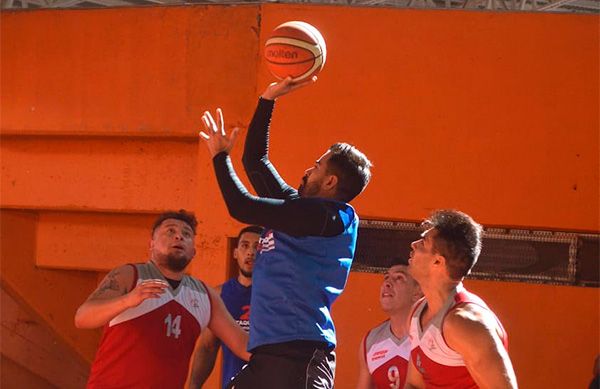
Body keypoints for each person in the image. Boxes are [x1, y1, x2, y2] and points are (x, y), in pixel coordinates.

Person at [199, 76, 372, 389]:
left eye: (317, 166)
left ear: (330, 181)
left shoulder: (330, 218)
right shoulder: (300, 211)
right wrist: (268, 98)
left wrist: (219, 156)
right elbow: (255, 161)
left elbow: (240, 206)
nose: (308, 170)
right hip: (265, 354)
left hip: (300, 355)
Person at [74, 210, 250, 389]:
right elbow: (82, 318)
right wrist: (127, 300)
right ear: (151, 244)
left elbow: (244, 346)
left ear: (193, 252)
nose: (179, 237)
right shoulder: (129, 275)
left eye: (186, 234)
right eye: (170, 231)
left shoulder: (206, 295)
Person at [404, 210, 518, 389]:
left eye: (423, 243)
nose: (413, 244)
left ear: (438, 262)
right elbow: (413, 384)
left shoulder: (466, 324)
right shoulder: (417, 313)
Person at [188, 225, 263, 389]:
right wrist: (193, 386)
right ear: (235, 253)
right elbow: (208, 347)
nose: (250, 252)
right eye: (244, 246)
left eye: (257, 247)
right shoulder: (219, 294)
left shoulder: (277, 296)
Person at [357, 258, 422, 389]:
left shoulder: (432, 334)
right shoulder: (371, 340)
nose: (387, 283)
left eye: (399, 278)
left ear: (418, 291)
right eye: (386, 277)